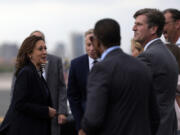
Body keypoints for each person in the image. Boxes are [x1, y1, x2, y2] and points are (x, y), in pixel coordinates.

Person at [81, 18, 160, 135]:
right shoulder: (142, 66)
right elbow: (155, 117)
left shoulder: (100, 69)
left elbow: (93, 120)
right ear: (119, 39)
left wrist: (85, 128)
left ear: (96, 41)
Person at [133, 8, 179, 135]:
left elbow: (134, 93)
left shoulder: (148, 56)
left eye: (139, 24)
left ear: (153, 29)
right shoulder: (167, 52)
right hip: (168, 127)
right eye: (134, 24)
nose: (133, 28)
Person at [0, 36, 56, 135]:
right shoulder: (26, 72)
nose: (45, 52)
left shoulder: (37, 73)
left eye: (45, 48)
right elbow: (19, 104)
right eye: (40, 49)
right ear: (30, 54)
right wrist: (45, 111)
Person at [29, 30, 68, 135]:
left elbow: (62, 87)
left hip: (52, 115)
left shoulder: (56, 61)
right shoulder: (23, 63)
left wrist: (63, 111)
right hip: (31, 116)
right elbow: (15, 91)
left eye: (40, 40)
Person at [67, 29, 98, 134]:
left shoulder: (110, 61)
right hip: (85, 124)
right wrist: (80, 127)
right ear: (85, 45)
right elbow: (73, 97)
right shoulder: (76, 64)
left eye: (94, 44)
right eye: (88, 45)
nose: (92, 48)